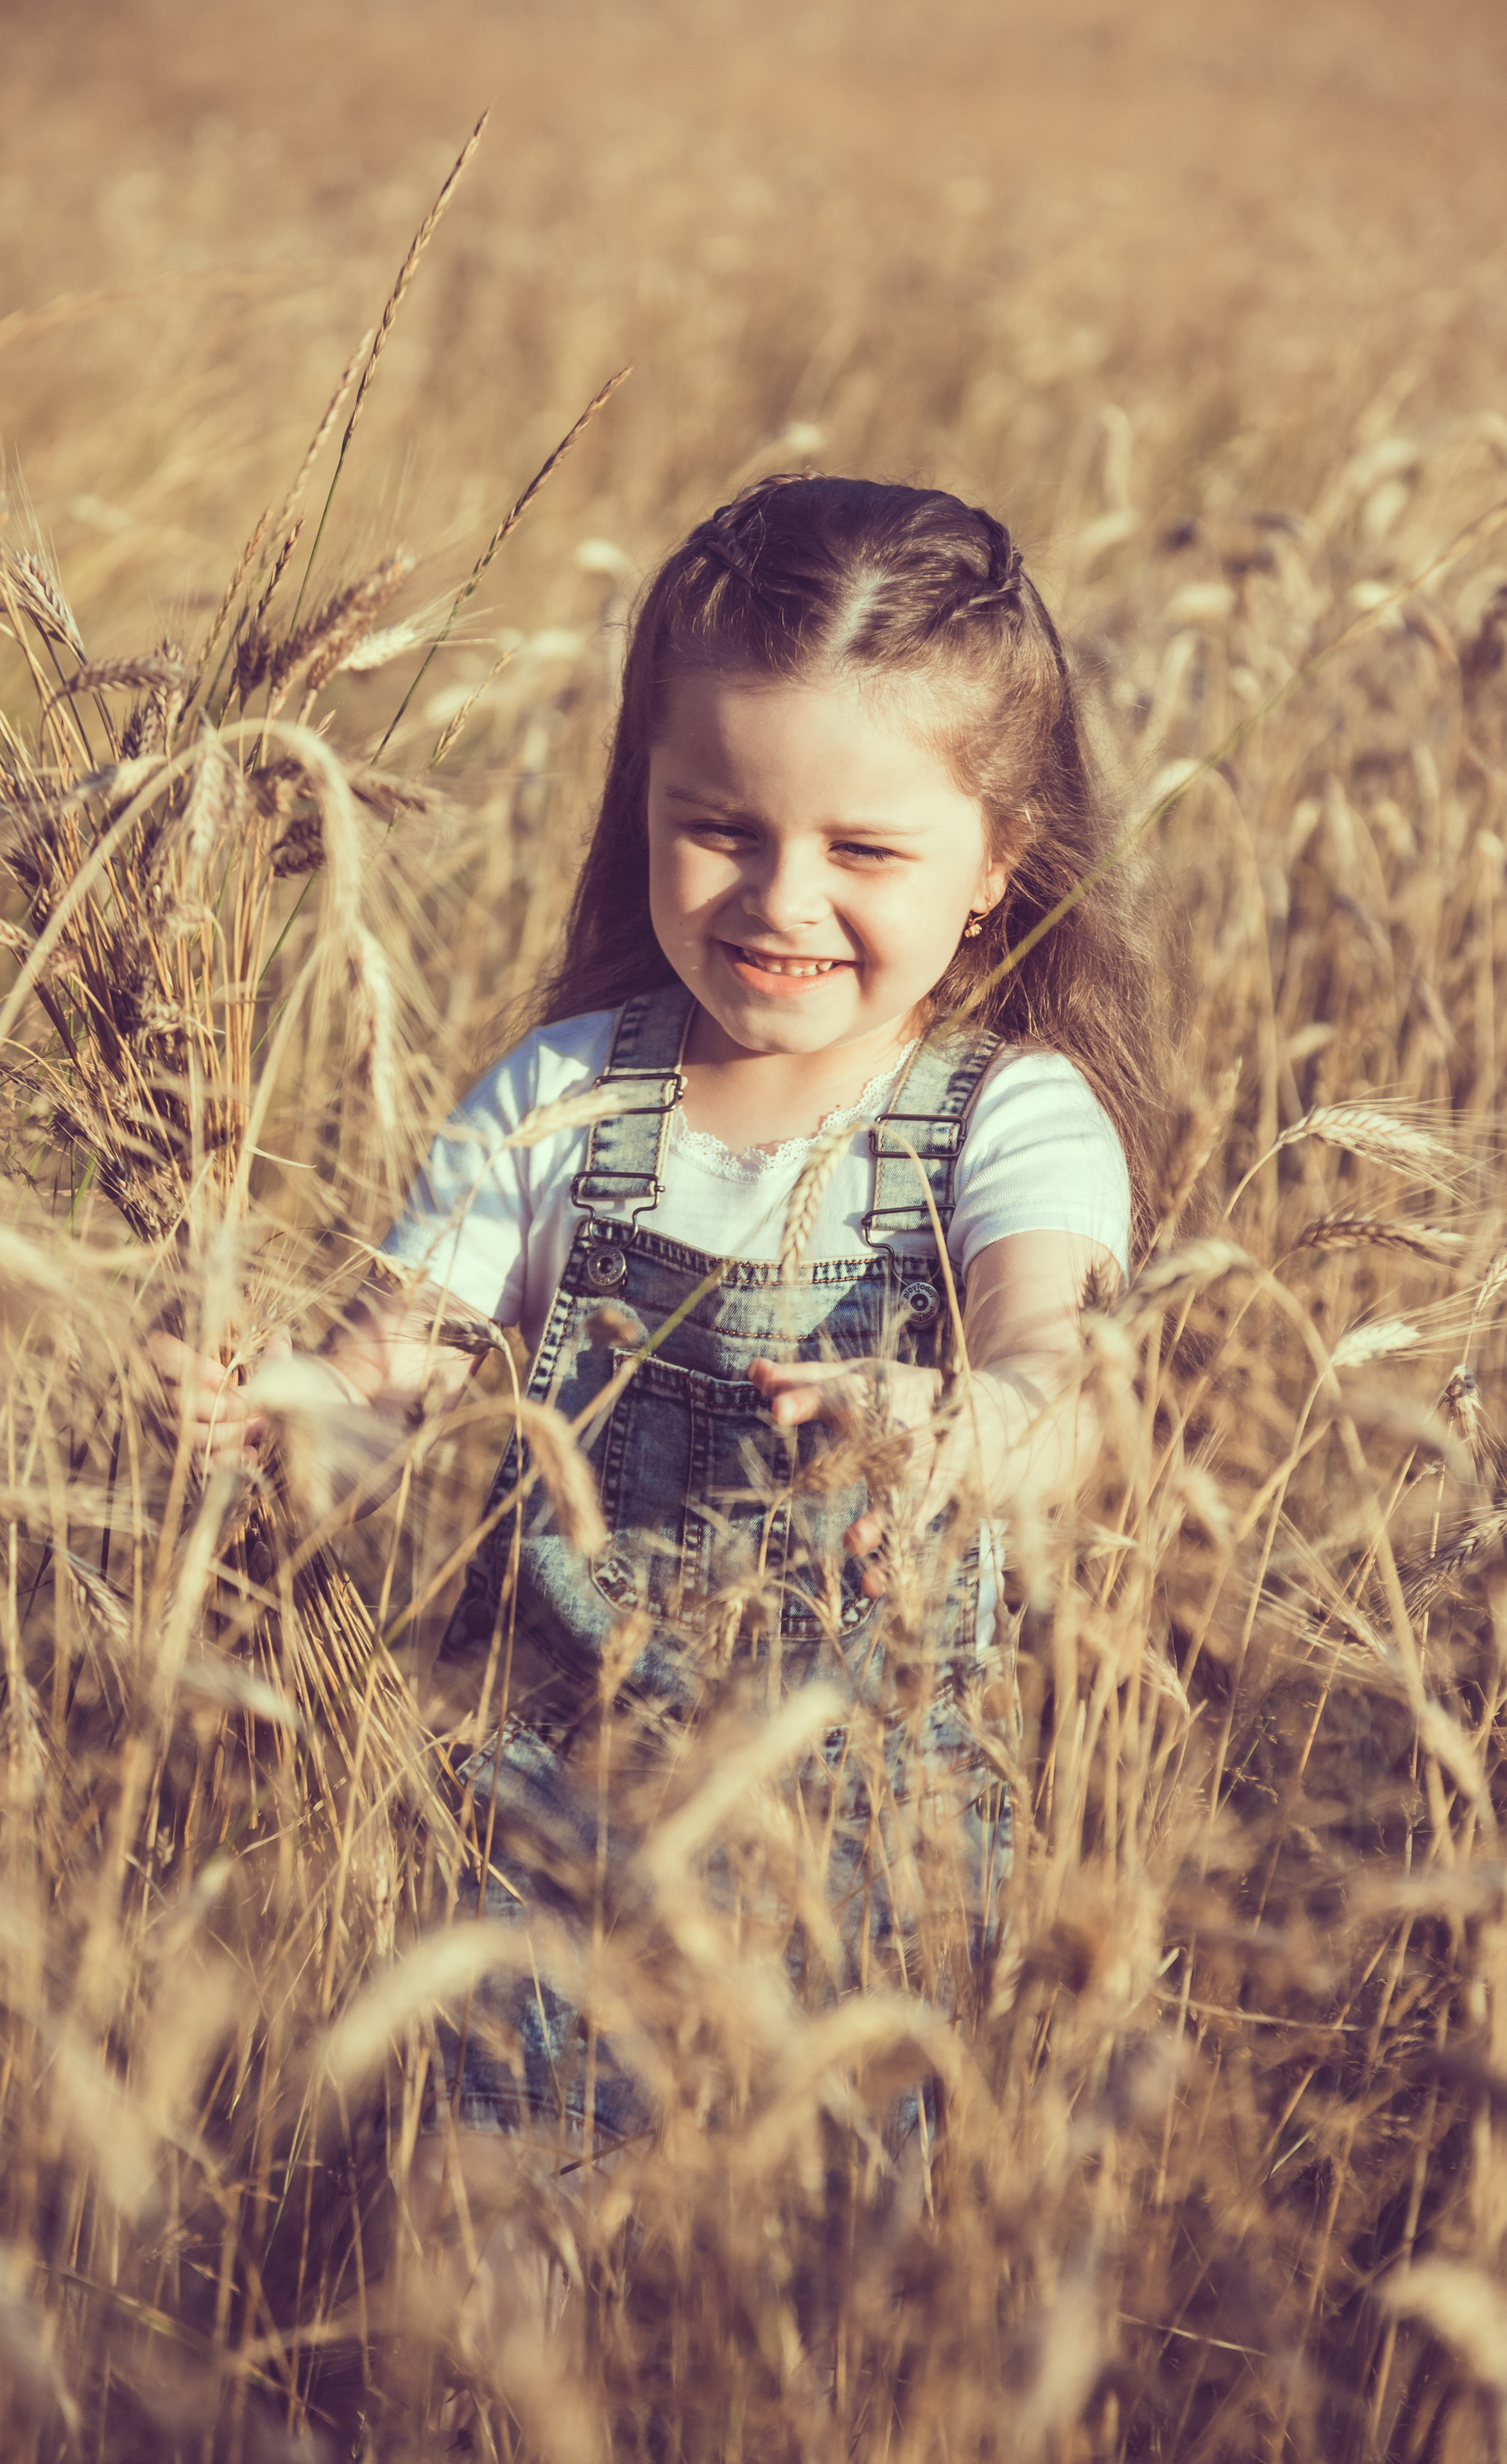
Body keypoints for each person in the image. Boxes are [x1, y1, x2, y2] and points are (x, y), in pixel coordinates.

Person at [160, 470, 1163, 2297]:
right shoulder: (563, 1098)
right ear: (645, 806)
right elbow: (397, 1368)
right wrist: (280, 1405)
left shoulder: (1010, 1123)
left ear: (998, 864)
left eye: (866, 852)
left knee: (807, 2299)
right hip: (562, 1812)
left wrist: (958, 1428)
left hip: (872, 1856)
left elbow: (1061, 1377)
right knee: (489, 2258)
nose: (783, 898)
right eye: (721, 827)